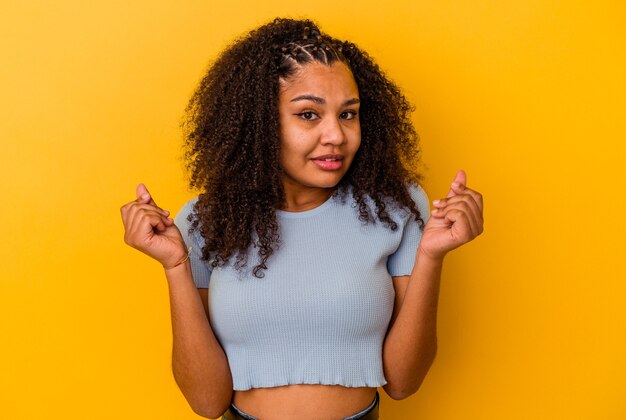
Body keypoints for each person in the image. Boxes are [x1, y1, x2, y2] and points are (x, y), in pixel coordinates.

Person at [120, 18, 483, 420]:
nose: (336, 136)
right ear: (259, 124)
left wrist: (432, 256)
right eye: (309, 115)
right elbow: (207, 402)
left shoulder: (394, 207)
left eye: (348, 114)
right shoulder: (208, 219)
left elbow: (403, 381)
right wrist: (175, 266)